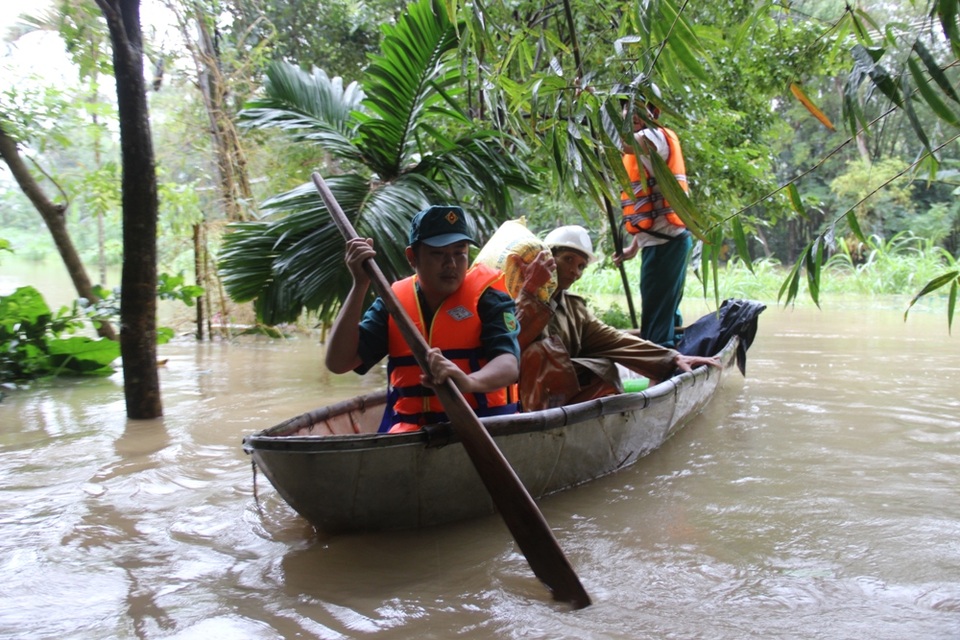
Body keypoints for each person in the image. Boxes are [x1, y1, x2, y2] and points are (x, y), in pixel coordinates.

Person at [325, 205, 521, 433]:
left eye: (460, 252)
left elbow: (508, 365)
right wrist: (360, 284)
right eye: (438, 253)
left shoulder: (490, 300)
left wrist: (468, 382)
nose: (451, 264)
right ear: (412, 257)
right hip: (412, 432)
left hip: (483, 425)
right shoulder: (393, 304)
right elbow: (338, 363)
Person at [513, 225, 718, 411]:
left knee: (602, 366)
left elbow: (614, 340)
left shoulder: (574, 308)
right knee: (538, 353)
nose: (574, 271)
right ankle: (541, 419)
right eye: (567, 259)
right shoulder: (519, 294)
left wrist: (672, 357)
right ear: (549, 259)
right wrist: (530, 291)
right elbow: (513, 342)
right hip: (521, 398)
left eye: (581, 266)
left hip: (559, 395)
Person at [613, 82, 692, 348]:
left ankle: (661, 374)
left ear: (653, 111)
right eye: (626, 107)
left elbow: (620, 142)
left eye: (640, 107)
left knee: (656, 325)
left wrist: (593, 111)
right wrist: (634, 246)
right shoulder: (642, 143)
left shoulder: (655, 137)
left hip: (666, 246)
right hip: (661, 242)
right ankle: (674, 356)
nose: (631, 113)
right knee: (666, 313)